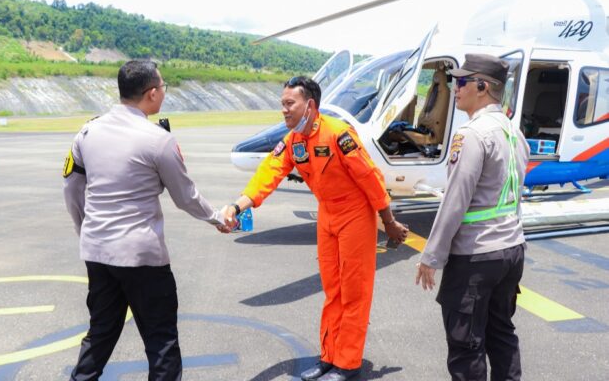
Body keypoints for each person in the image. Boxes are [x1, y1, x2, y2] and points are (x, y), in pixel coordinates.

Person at [225, 76, 409, 381]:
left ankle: (348, 364)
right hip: (328, 215)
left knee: (353, 292)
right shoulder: (294, 140)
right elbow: (268, 173)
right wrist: (236, 207)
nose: (283, 111)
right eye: (281, 104)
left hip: (355, 216)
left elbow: (371, 179)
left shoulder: (338, 134)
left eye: (289, 104)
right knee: (332, 291)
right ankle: (329, 357)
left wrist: (388, 222)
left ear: (309, 105)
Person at [63, 59, 233, 381]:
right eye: (163, 87)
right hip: (142, 256)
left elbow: (72, 187)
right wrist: (216, 217)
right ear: (152, 93)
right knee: (161, 342)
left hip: (97, 252)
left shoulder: (87, 132)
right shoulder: (158, 139)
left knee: (100, 333)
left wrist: (86, 230)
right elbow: (185, 196)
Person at [415, 53, 530, 381]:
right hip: (511, 249)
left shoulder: (473, 134)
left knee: (466, 344)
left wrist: (431, 257)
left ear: (482, 87)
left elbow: (455, 200)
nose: (454, 88)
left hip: (476, 256)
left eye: (461, 81)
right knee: (502, 334)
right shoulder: (512, 131)